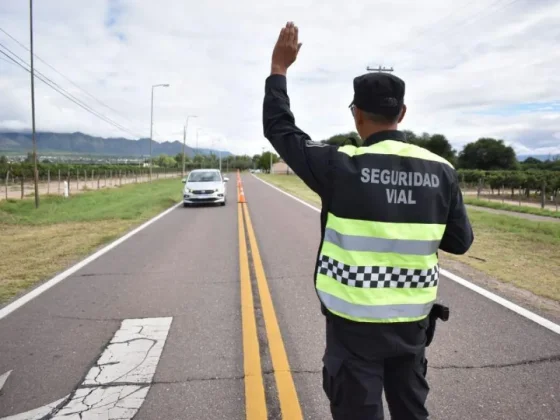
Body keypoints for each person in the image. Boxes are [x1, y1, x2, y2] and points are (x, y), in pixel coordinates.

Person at [262, 22, 474, 420]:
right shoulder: (442, 169)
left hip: (353, 328)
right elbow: (460, 241)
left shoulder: (339, 164)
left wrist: (279, 67)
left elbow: (280, 129)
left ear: (357, 115)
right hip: (412, 326)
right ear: (403, 113)